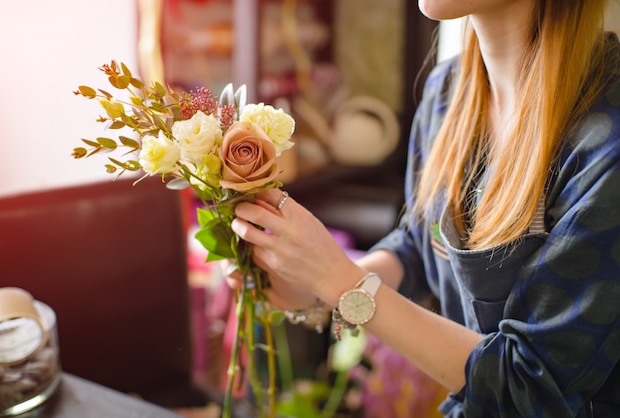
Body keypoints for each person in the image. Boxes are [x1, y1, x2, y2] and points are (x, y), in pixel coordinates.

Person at [227, 0, 620, 416]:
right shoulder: (445, 93)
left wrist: (340, 282)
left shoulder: (606, 142)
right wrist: (308, 286)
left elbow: (527, 387)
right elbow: (419, 247)